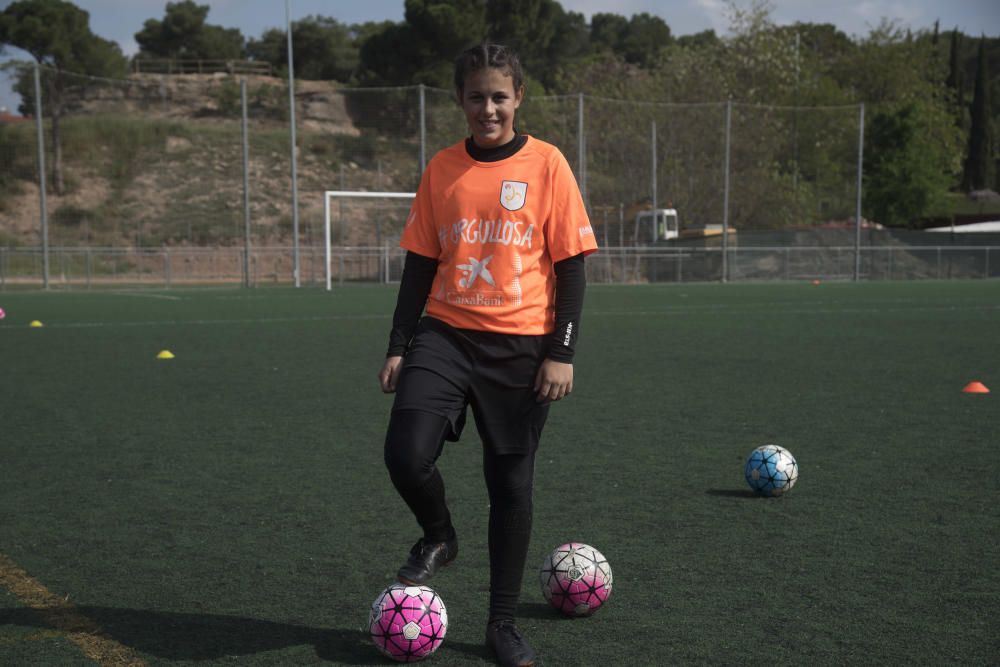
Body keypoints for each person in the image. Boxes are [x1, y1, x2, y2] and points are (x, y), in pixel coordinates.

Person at [377, 42, 598, 667]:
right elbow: (420, 263)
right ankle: (440, 536)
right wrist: (400, 343)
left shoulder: (547, 164)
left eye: (499, 96)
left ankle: (501, 624)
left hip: (523, 345)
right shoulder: (442, 168)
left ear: (518, 97)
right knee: (405, 453)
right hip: (445, 333)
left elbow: (572, 266)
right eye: (476, 97)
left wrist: (562, 351)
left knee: (510, 485)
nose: (488, 108)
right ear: (461, 100)